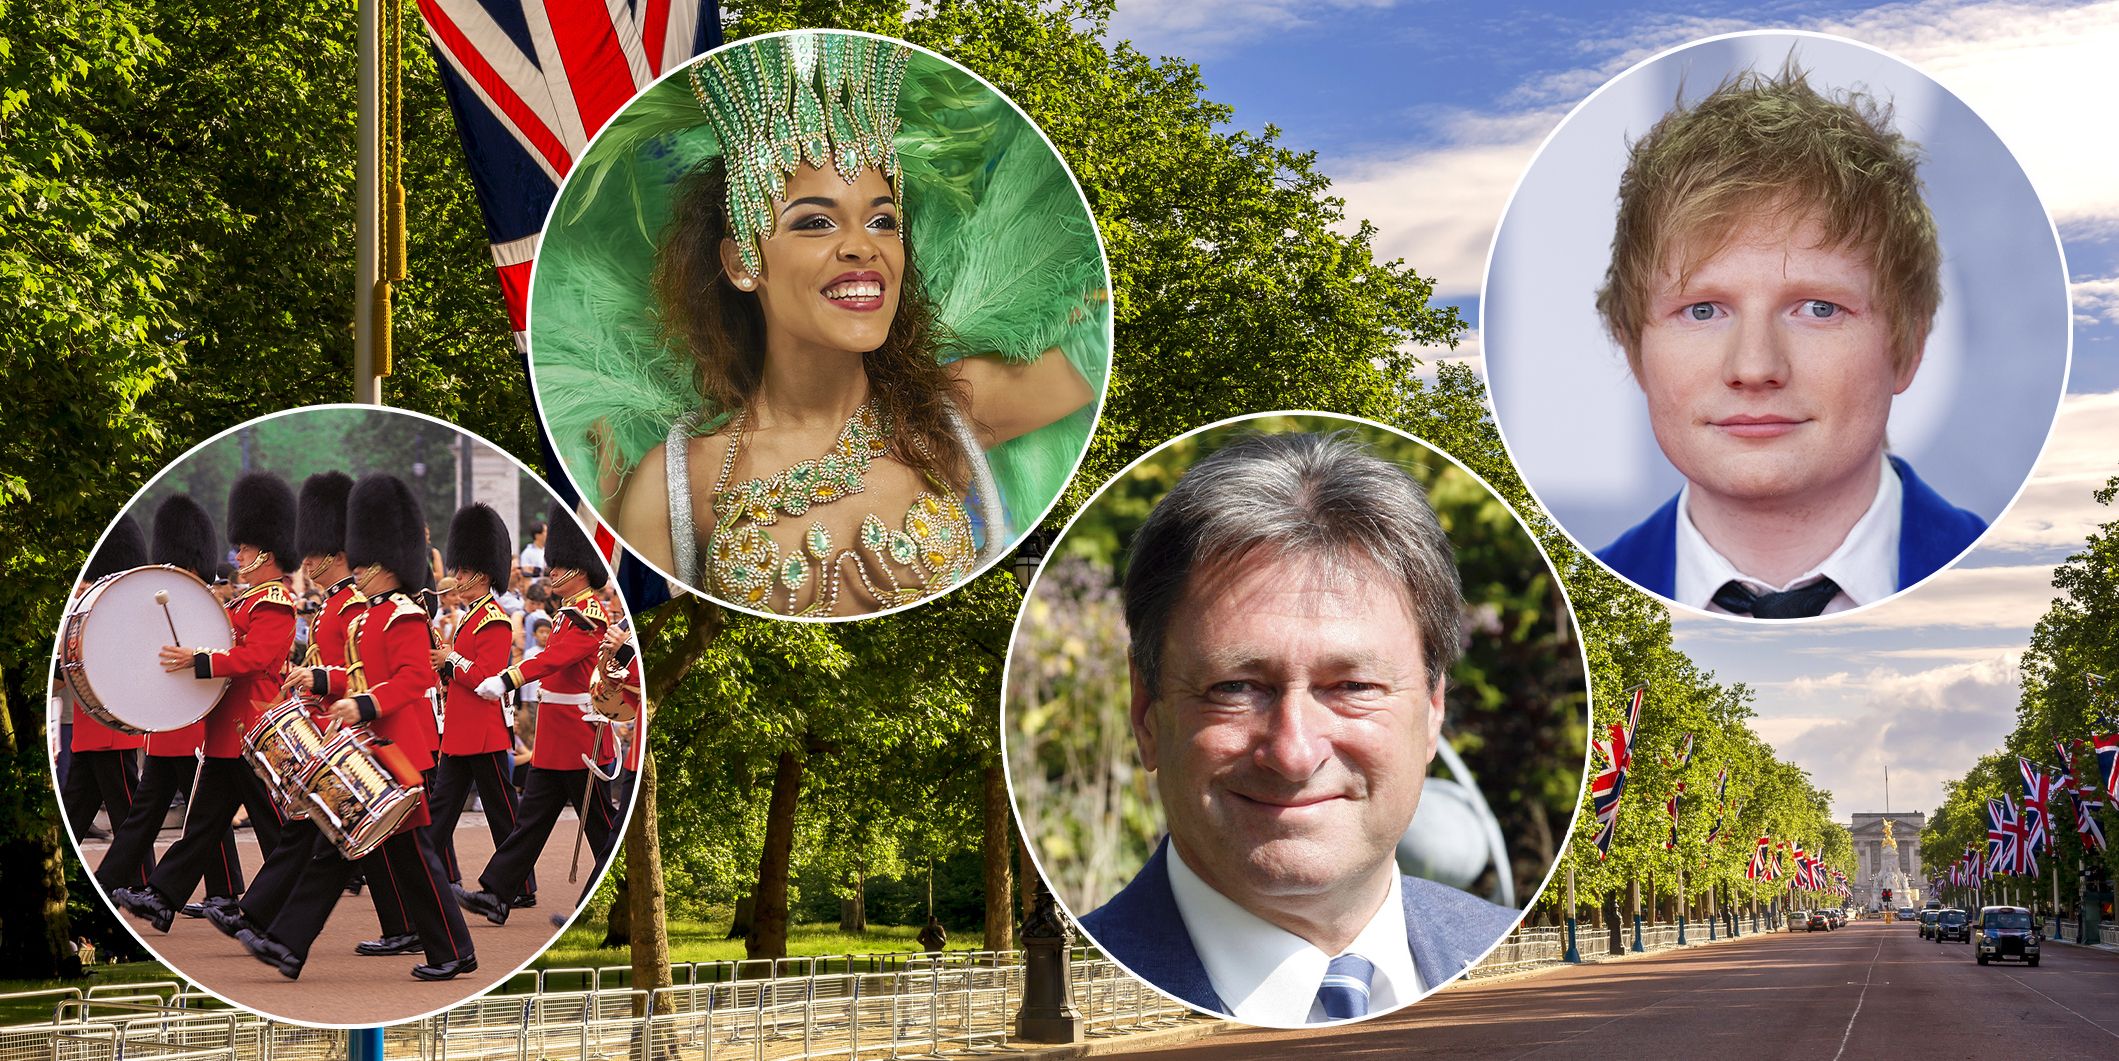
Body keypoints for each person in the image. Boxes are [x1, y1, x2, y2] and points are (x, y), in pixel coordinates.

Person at [535, 31, 1106, 617]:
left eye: (883, 222)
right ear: (741, 263)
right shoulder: (680, 478)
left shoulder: (952, 408)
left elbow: (1100, 347)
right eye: (815, 224)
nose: (863, 247)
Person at [1079, 433, 1519, 1026]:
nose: (1293, 752)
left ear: (1433, 705)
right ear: (1145, 710)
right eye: (1234, 688)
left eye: (1353, 687)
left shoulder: (1513, 956)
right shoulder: (1058, 994)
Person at [1591, 66, 1985, 618]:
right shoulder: (1584, 610)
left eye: (1819, 309)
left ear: (1908, 344)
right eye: (1702, 309)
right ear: (1633, 349)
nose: (1754, 367)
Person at [241, 474, 477, 981]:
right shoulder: (366, 618)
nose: (359, 569)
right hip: (368, 750)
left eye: (366, 563)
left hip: (401, 754)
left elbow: (414, 679)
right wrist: (321, 679)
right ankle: (286, 944)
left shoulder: (405, 615)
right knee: (346, 846)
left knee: (408, 860)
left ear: (388, 565)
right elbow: (359, 674)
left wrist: (365, 706)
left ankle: (452, 951)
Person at [115, 473, 297, 932]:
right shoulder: (244, 601)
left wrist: (199, 661)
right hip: (224, 731)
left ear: (267, 554)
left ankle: (283, 905)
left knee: (277, 830)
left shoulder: (274, 604)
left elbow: (254, 660)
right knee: (200, 825)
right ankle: (162, 897)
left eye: (245, 549)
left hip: (252, 728)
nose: (237, 556)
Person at [455, 515, 621, 925]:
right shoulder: (567, 612)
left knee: (603, 831)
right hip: (556, 735)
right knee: (529, 821)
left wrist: (507, 678)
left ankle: (600, 908)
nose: (551, 572)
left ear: (579, 571)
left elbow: (555, 659)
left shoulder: (589, 614)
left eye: (559, 566)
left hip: (581, 736)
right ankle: (496, 895)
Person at [94, 495, 246, 903]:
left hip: (194, 720)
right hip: (165, 722)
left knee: (202, 815)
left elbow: (217, 657)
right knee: (155, 815)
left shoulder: (210, 604)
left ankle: (225, 890)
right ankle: (109, 886)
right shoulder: (160, 597)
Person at [426, 502, 538, 907]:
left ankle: (521, 887)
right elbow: (460, 672)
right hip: (461, 728)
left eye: (463, 571)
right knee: (441, 810)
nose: (456, 577)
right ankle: (424, 872)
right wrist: (443, 661)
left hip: (484, 729)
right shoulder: (470, 615)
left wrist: (450, 661)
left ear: (483, 574)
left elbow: (488, 677)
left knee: (503, 811)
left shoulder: (494, 618)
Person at [60, 516, 150, 846]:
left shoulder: (123, 612)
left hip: (111, 726)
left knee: (126, 814)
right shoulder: (94, 608)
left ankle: (139, 882)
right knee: (75, 810)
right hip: (89, 726)